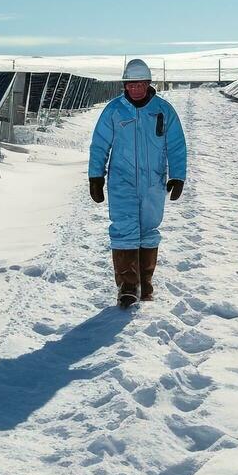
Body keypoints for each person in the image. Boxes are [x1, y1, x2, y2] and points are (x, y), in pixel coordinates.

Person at [87, 59, 189, 308]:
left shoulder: (163, 111)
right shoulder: (114, 111)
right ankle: (128, 286)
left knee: (148, 230)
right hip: (121, 181)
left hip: (153, 182)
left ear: (148, 84)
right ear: (125, 85)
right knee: (123, 229)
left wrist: (177, 175)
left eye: (140, 84)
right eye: (131, 84)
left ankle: (146, 283)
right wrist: (95, 176)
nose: (135, 89)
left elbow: (176, 146)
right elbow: (100, 145)